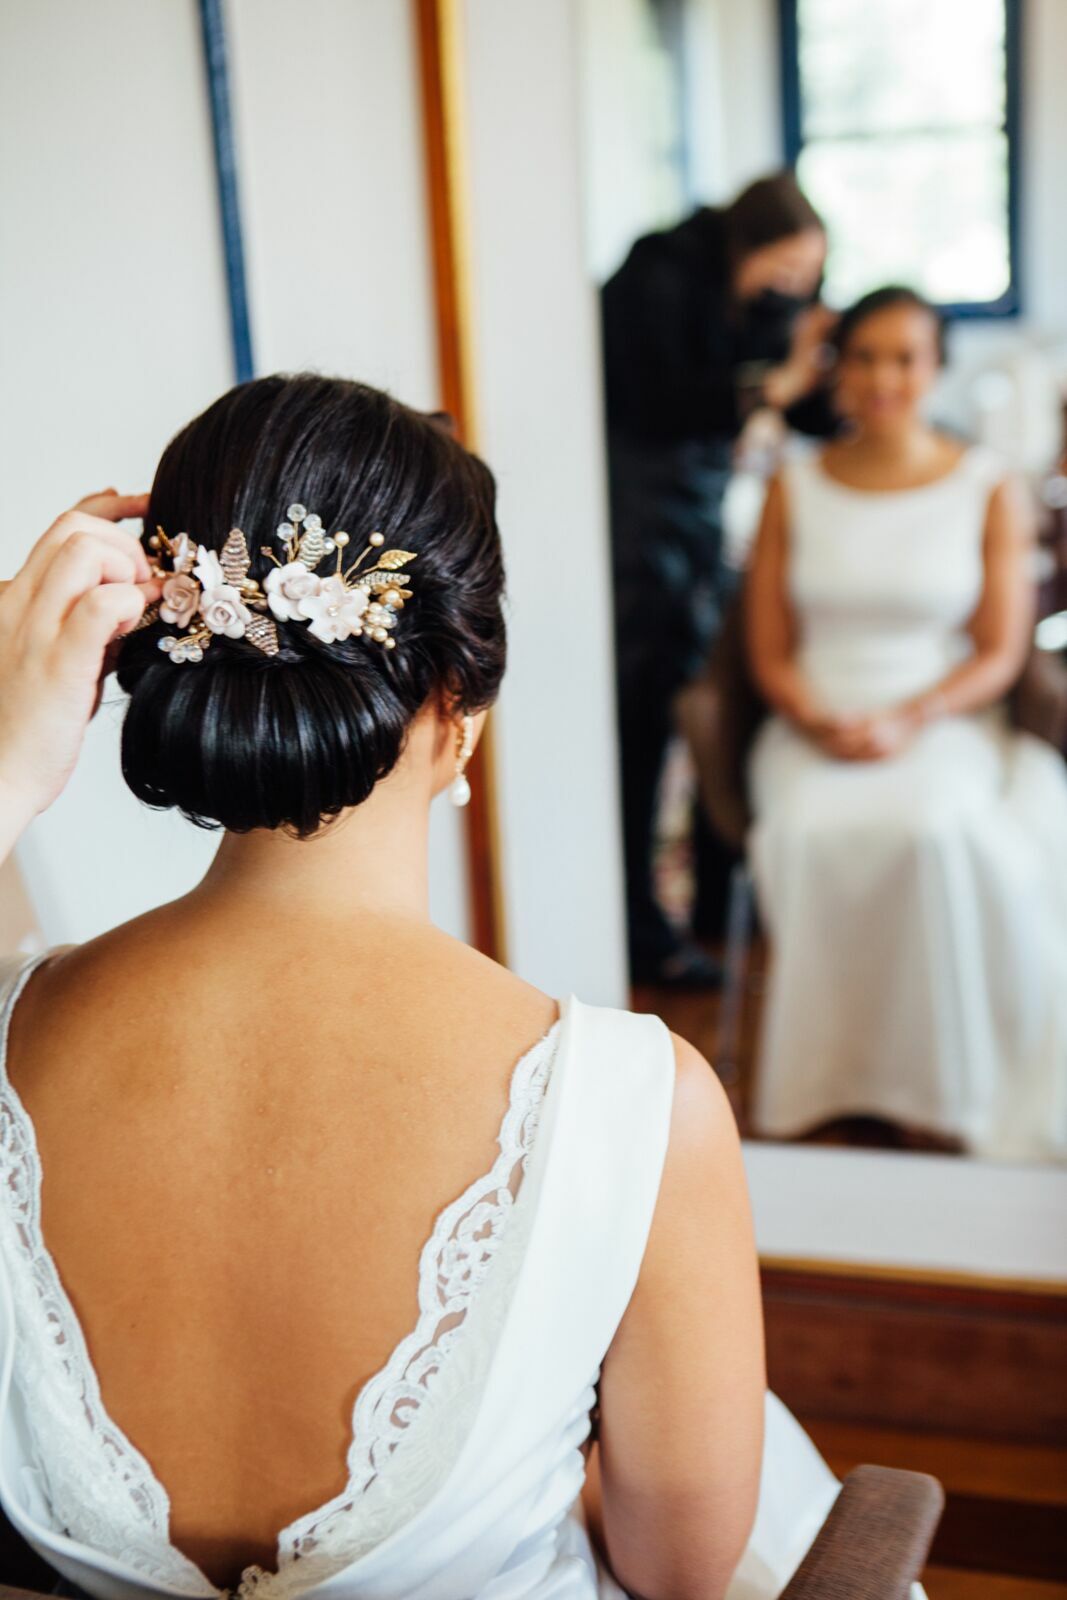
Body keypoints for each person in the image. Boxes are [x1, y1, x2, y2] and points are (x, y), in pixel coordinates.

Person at [0, 376, 850, 1600]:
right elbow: (677, 1574)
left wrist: (15, 770)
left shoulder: (10, 1033)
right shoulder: (633, 1105)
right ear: (460, 707)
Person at [746, 287, 1067, 1161]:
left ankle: (936, 1088)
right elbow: (768, 649)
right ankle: (826, 1079)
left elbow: (999, 651)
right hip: (813, 716)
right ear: (837, 368)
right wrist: (814, 714)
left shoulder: (983, 485)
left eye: (904, 358)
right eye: (864, 356)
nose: (883, 377)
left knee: (932, 831)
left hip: (940, 717)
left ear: (933, 369)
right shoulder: (795, 484)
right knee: (805, 830)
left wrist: (908, 719)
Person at [601, 172, 836, 989]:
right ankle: (634, 925)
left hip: (701, 522)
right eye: (786, 274)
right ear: (750, 245)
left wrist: (825, 368)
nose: (793, 293)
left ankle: (712, 901)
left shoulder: (767, 298)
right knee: (643, 721)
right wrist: (774, 385)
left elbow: (806, 404)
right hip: (637, 525)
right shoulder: (656, 276)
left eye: (807, 281)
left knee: (711, 706)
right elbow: (664, 401)